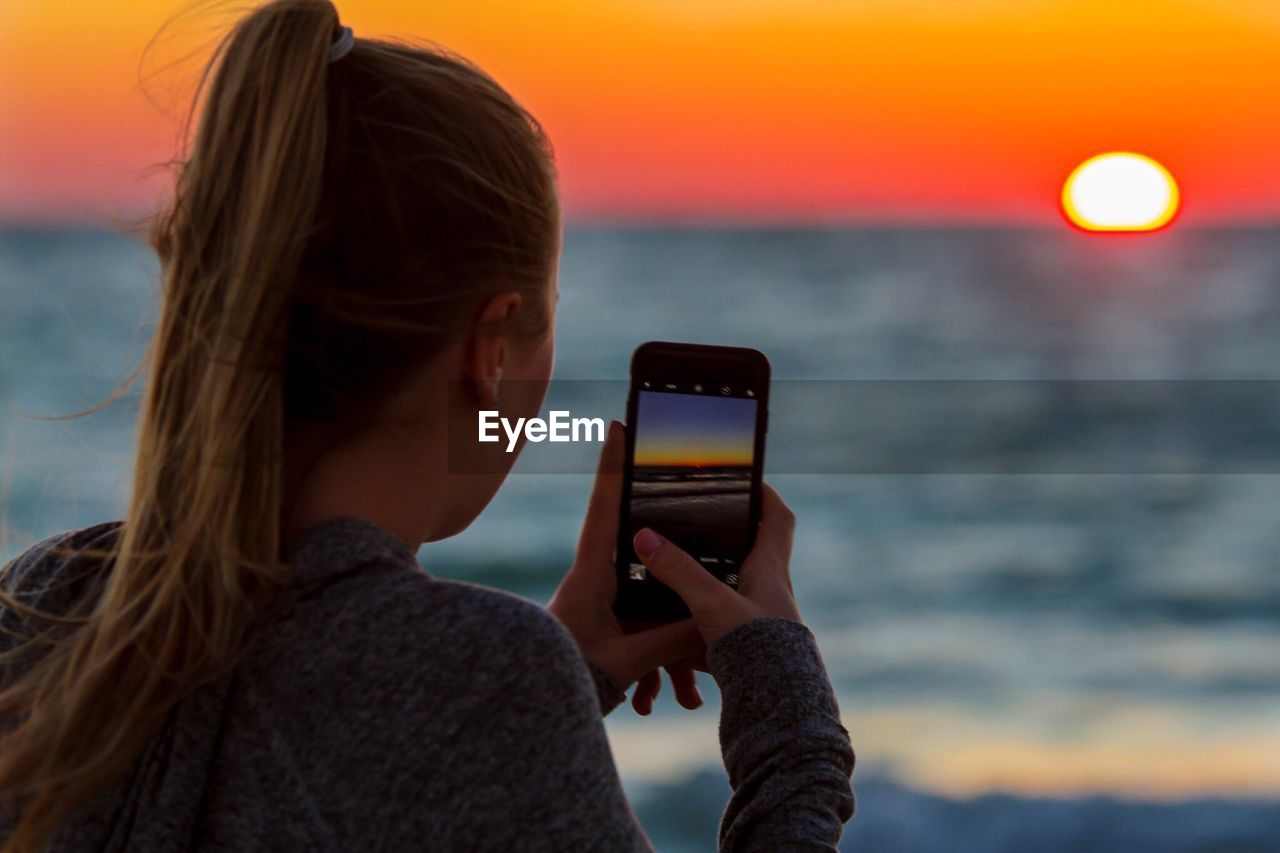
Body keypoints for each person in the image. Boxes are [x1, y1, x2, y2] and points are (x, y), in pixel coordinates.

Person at [0, 1, 855, 849]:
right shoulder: (482, 680)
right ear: (489, 346)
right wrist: (792, 735)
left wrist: (563, 673)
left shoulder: (47, 597)